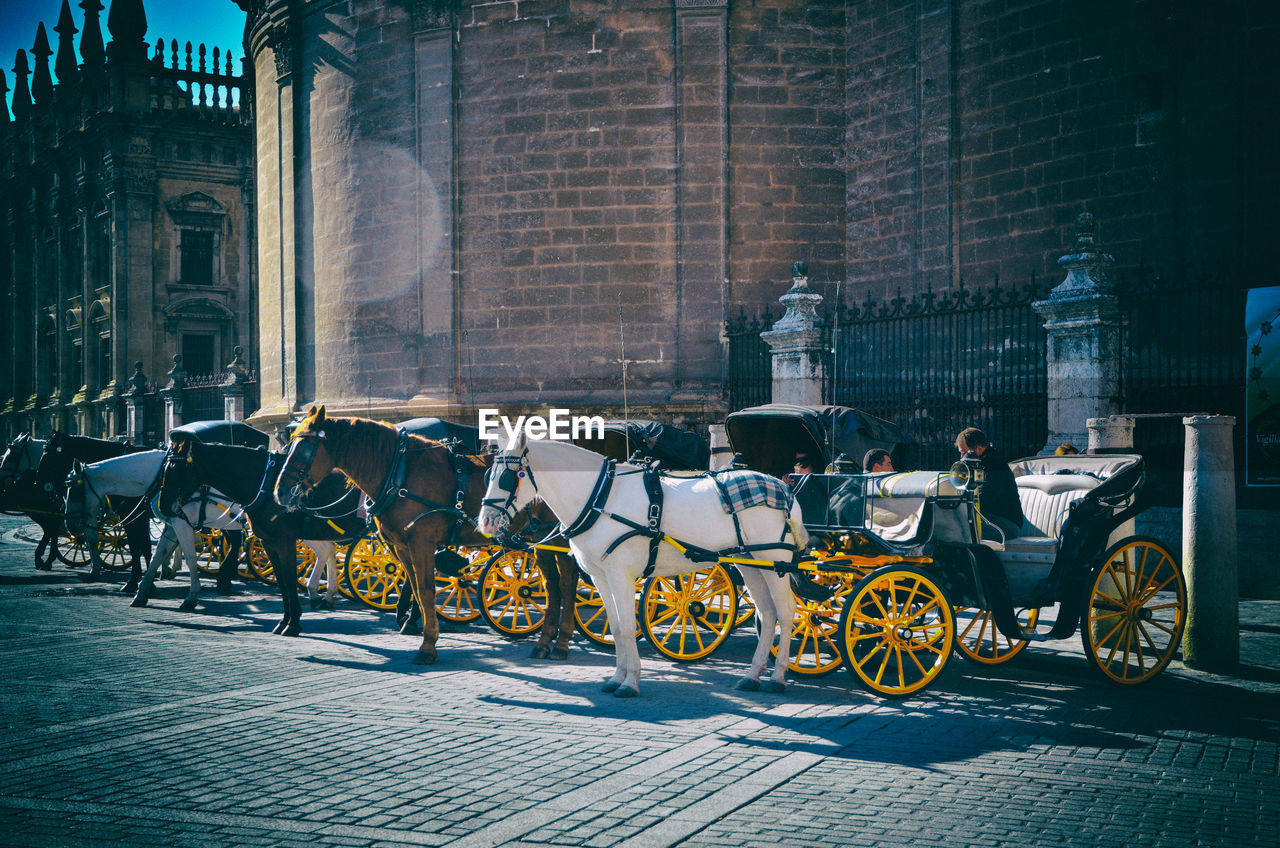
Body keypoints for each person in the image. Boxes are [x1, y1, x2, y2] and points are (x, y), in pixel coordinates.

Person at [955, 427, 1023, 541]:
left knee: (962, 530)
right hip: (990, 519)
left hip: (1006, 525)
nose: (962, 457)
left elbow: (984, 498)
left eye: (964, 452)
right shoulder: (978, 464)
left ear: (979, 449)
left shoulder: (995, 465)